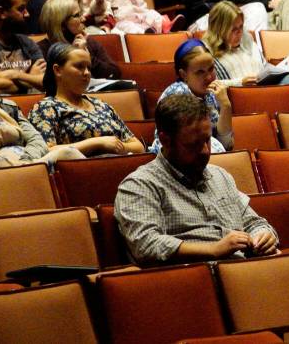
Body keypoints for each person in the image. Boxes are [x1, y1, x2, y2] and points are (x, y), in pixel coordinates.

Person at [115, 93, 278, 265]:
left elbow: (254, 223)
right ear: (165, 140)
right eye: (193, 144)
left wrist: (263, 236)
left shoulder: (220, 176)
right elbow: (145, 244)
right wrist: (214, 250)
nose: (205, 151)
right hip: (195, 279)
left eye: (207, 140)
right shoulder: (140, 184)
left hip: (245, 270)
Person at [28, 42, 145, 156]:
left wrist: (118, 147)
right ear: (57, 70)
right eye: (79, 66)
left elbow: (138, 147)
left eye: (88, 67)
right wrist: (97, 143)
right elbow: (45, 151)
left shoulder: (101, 105)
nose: (87, 73)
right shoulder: (46, 108)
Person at [149, 39, 234, 153]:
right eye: (200, 72)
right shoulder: (176, 97)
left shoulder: (211, 93)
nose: (209, 77)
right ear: (184, 75)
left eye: (211, 69)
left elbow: (226, 144)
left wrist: (226, 106)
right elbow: (188, 149)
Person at [201, 0, 289, 87]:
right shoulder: (207, 51)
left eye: (241, 26)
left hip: (262, 88)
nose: (239, 32)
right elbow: (210, 86)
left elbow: (263, 67)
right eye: (234, 29)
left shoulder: (247, 40)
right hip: (240, 95)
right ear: (220, 30)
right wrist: (240, 82)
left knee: (288, 76)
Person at [37, 0, 121, 80]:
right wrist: (74, 55)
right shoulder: (41, 50)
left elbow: (114, 74)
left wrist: (88, 57)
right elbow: (51, 82)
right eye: (77, 15)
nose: (83, 18)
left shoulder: (88, 42)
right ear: (61, 23)